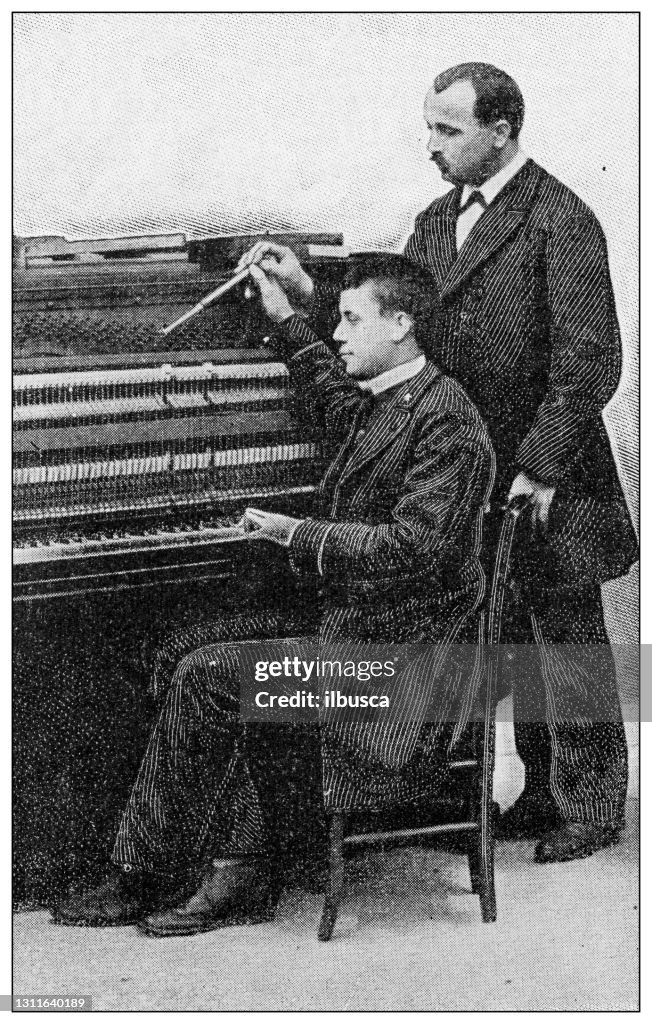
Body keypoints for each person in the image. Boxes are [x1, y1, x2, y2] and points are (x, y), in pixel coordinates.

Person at [240, 63, 637, 864]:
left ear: (502, 130)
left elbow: (591, 360)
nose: (432, 147)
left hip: (544, 475)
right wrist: (309, 287)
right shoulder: (436, 219)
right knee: (512, 628)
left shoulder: (561, 218)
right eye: (429, 128)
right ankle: (541, 794)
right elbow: (398, 316)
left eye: (447, 131)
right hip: (470, 465)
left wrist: (541, 465)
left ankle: (592, 807)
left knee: (565, 639)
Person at [53, 253, 495, 936]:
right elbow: (330, 387)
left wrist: (296, 533)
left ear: (403, 324)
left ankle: (177, 873)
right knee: (181, 648)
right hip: (362, 636)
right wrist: (287, 318)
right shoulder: (395, 399)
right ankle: (233, 857)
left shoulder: (449, 424)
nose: (339, 333)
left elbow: (413, 548)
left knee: (208, 674)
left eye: (351, 319)